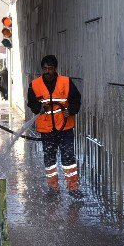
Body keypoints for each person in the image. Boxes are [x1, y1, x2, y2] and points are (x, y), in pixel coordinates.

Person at [27, 55, 81, 194]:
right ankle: (53, 188)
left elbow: (76, 99)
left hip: (65, 128)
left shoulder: (66, 82)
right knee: (49, 158)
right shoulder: (34, 85)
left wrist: (71, 110)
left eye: (50, 68)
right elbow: (32, 104)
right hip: (46, 129)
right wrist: (40, 108)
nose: (47, 71)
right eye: (45, 68)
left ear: (55, 69)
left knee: (68, 157)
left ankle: (73, 188)